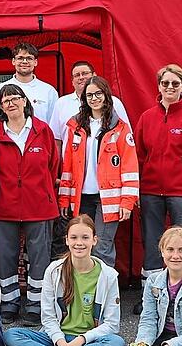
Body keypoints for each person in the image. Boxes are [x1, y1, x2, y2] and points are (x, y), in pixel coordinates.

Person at [4, 215, 125, 346]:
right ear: (67, 240)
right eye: (74, 237)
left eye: (85, 238)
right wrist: (63, 345)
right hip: (56, 337)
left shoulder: (108, 275)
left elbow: (111, 324)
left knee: (117, 345)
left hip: (88, 340)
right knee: (11, 336)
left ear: (94, 240)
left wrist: (79, 341)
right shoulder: (54, 271)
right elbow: (48, 318)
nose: (79, 243)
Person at [0, 84, 59, 325]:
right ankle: (9, 302)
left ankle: (36, 304)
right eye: (5, 100)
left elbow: (53, 165)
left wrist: (41, 190)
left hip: (39, 204)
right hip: (4, 205)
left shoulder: (43, 131)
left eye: (15, 98)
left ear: (25, 101)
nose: (11, 103)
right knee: (6, 256)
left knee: (39, 256)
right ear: (0, 107)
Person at [133, 64, 182, 284]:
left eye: (175, 83)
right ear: (158, 86)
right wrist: (136, 190)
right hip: (151, 191)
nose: (170, 87)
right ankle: (152, 291)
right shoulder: (147, 118)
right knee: (152, 240)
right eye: (165, 83)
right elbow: (137, 157)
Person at [58, 76, 138, 268]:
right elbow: (67, 166)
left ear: (106, 95)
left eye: (98, 93)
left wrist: (127, 202)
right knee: (82, 246)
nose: (94, 98)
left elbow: (130, 167)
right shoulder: (74, 126)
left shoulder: (120, 128)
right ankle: (84, 292)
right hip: (81, 198)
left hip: (108, 199)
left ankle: (106, 294)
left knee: (102, 247)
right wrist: (64, 198)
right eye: (89, 95)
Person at [49, 61, 130, 153]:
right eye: (77, 75)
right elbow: (56, 139)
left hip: (108, 161)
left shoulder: (114, 102)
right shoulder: (61, 103)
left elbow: (126, 134)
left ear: (95, 75)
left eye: (85, 73)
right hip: (73, 163)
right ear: (72, 81)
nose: (81, 77)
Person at [0, 42, 59, 125]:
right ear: (13, 61)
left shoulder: (49, 91)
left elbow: (54, 124)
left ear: (35, 62)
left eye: (29, 58)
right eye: (20, 58)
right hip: (8, 138)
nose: (24, 62)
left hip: (41, 137)